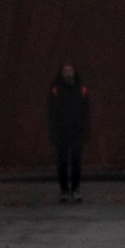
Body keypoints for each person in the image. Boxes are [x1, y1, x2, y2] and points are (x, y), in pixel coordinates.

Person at [48, 62, 89, 201]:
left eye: (70, 70)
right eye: (65, 71)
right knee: (62, 162)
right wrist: (53, 132)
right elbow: (51, 113)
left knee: (76, 161)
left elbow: (86, 113)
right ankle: (64, 190)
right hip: (61, 132)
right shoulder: (55, 90)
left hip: (76, 132)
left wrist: (85, 131)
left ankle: (76, 189)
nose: (68, 74)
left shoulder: (82, 90)